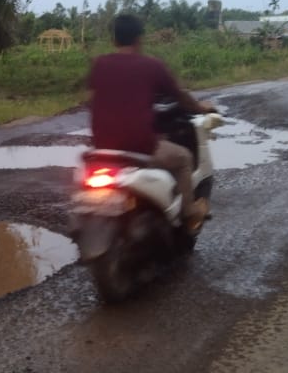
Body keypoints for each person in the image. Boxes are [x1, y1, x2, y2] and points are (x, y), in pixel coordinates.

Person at [87, 13, 216, 229]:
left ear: (114, 39)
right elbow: (179, 96)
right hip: (140, 147)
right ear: (139, 39)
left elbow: (94, 99)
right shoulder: (151, 65)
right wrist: (200, 107)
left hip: (103, 148)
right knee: (183, 158)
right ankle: (189, 212)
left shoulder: (99, 64)